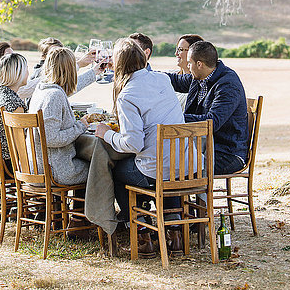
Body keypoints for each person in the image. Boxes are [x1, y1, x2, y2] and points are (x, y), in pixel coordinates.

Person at [95, 37, 189, 257]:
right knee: (166, 165)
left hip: (159, 169)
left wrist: (106, 133)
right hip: (185, 166)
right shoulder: (162, 79)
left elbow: (133, 143)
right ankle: (174, 235)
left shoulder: (127, 95)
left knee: (118, 172)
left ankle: (142, 235)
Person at [167, 41, 249, 175]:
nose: (187, 66)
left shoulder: (228, 85)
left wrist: (176, 117)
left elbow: (212, 121)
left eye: (189, 63)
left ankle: (183, 195)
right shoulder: (200, 76)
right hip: (203, 146)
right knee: (167, 160)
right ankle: (181, 195)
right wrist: (148, 74)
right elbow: (176, 81)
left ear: (199, 64)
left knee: (173, 166)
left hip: (227, 153)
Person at [28, 46, 89, 185]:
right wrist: (80, 126)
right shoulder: (54, 95)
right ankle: (91, 207)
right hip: (54, 170)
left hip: (36, 167)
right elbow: (51, 138)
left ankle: (79, 207)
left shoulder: (40, 90)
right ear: (70, 70)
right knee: (99, 168)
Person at [169, 34, 204, 110]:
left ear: (193, 53)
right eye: (177, 49)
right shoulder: (171, 75)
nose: (176, 54)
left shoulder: (202, 84)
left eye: (180, 50)